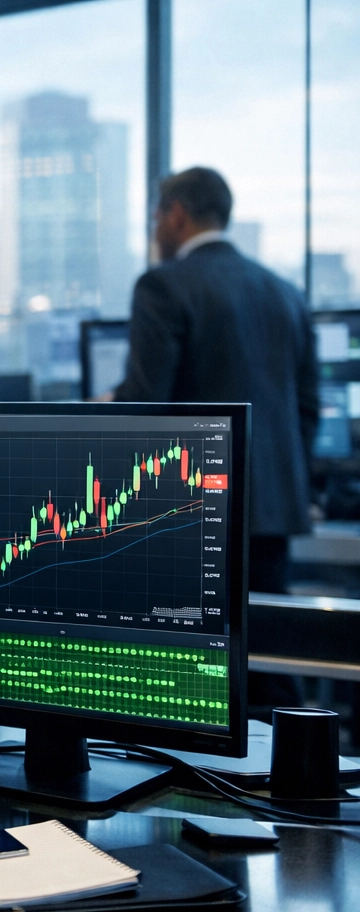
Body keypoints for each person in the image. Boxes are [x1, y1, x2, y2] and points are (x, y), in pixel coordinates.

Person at [114, 166, 319, 714]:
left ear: (177, 214)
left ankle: (199, 790)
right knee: (267, 656)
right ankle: (297, 785)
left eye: (158, 214)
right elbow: (306, 409)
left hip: (194, 514)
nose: (156, 227)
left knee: (191, 674)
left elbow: (144, 408)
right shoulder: (286, 292)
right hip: (272, 510)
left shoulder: (163, 284)